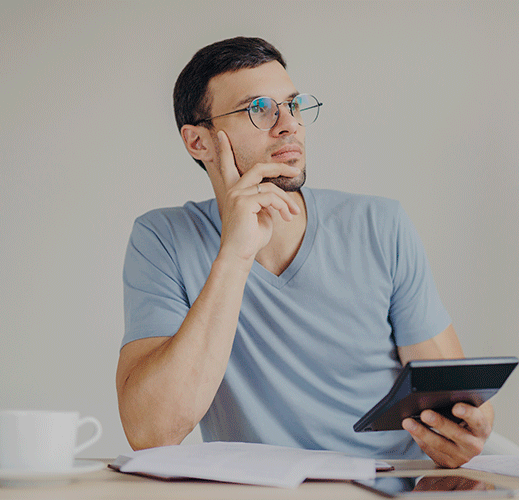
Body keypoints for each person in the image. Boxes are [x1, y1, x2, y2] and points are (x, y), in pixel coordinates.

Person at [115, 36, 493, 468]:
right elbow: (151, 432)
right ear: (198, 141)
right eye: (259, 109)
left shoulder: (380, 225)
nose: (289, 124)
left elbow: (453, 399)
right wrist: (235, 255)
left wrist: (469, 429)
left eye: (293, 105)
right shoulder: (163, 238)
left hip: (387, 487)